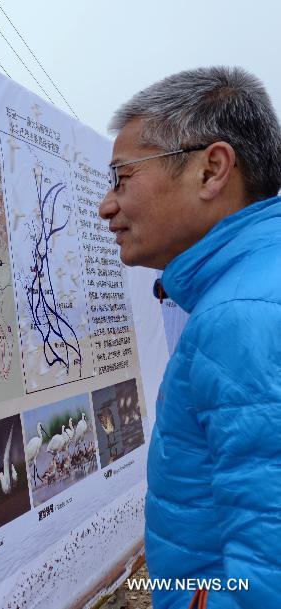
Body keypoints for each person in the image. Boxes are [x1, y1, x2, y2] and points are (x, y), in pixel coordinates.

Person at [99, 66, 281, 608]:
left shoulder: (240, 318)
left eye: (122, 178)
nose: (107, 206)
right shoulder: (253, 288)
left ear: (211, 170)